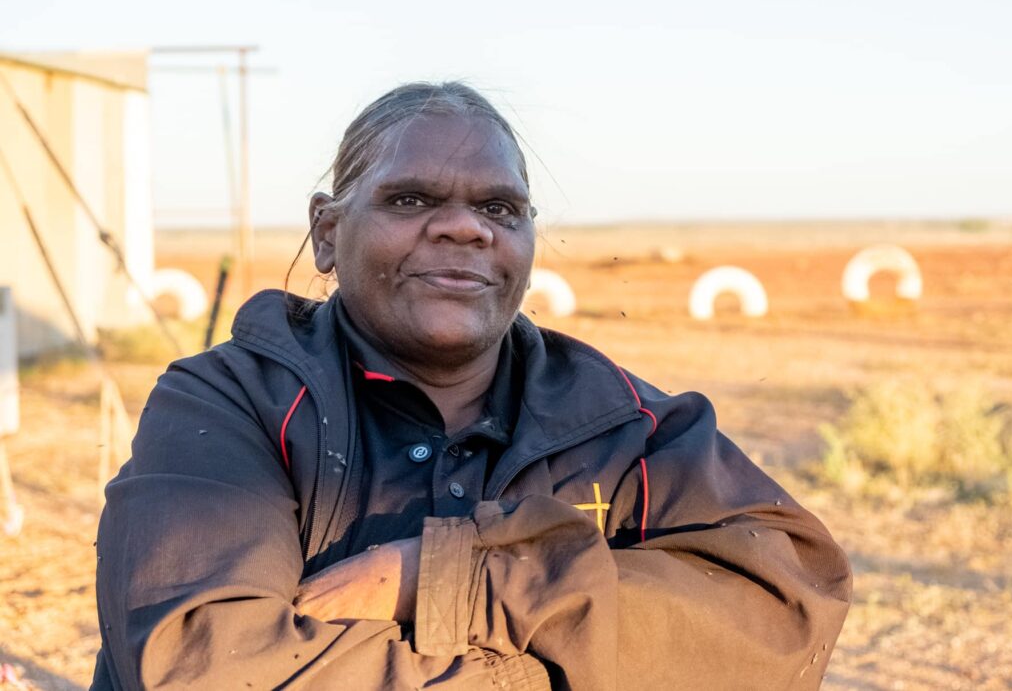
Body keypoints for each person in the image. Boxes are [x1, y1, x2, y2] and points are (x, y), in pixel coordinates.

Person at [92, 82, 851, 690]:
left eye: (499, 208)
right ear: (326, 232)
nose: (466, 228)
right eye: (411, 200)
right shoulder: (230, 403)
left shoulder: (619, 426)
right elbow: (205, 663)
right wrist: (570, 662)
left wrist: (452, 579)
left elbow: (784, 606)